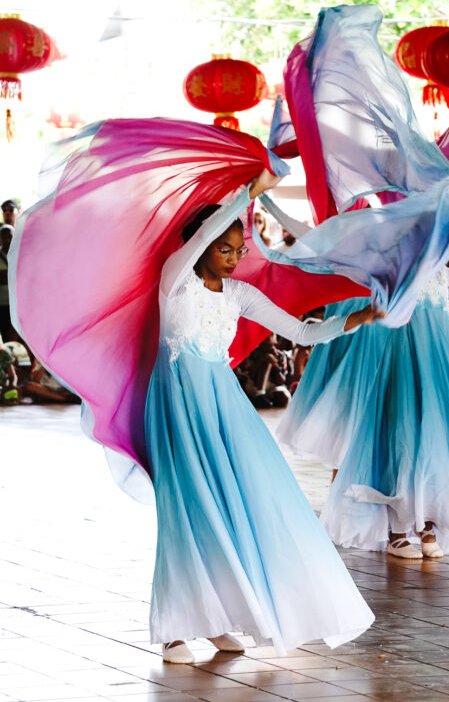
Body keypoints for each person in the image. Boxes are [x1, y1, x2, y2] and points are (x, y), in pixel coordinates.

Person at [147, 172, 383, 663]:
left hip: (226, 411)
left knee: (239, 505)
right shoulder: (175, 281)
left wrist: (355, 320)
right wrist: (248, 195)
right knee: (187, 511)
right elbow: (197, 246)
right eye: (225, 249)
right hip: (179, 410)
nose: (234, 258)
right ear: (205, 243)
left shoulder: (238, 296)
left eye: (240, 250)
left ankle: (217, 621)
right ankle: (174, 629)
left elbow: (299, 332)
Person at [320, 258, 449, 560]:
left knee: (438, 439)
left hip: (440, 365)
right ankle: (398, 530)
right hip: (405, 360)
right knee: (405, 436)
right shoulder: (394, 270)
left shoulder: (440, 272)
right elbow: (349, 268)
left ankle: (428, 525)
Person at [0, 223, 14, 340]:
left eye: (10, 237)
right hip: (2, 305)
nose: (7, 240)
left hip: (15, 305)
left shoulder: (19, 255)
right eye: (4, 237)